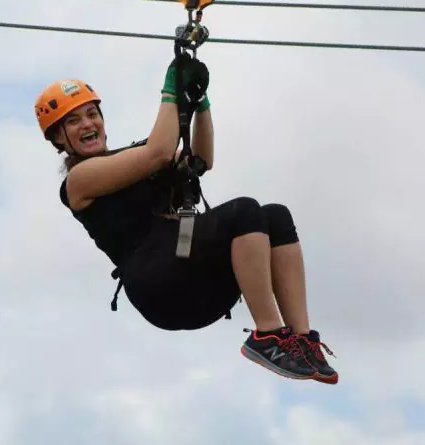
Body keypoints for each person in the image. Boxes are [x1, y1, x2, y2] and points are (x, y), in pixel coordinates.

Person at [33, 55, 338, 384]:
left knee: (275, 216)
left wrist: (200, 103)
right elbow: (159, 152)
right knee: (244, 211)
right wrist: (171, 90)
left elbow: (201, 159)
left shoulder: (132, 158)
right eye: (74, 121)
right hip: (161, 284)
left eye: (92, 114)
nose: (88, 124)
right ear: (59, 139)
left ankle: (302, 341)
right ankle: (267, 336)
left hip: (194, 278)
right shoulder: (79, 180)